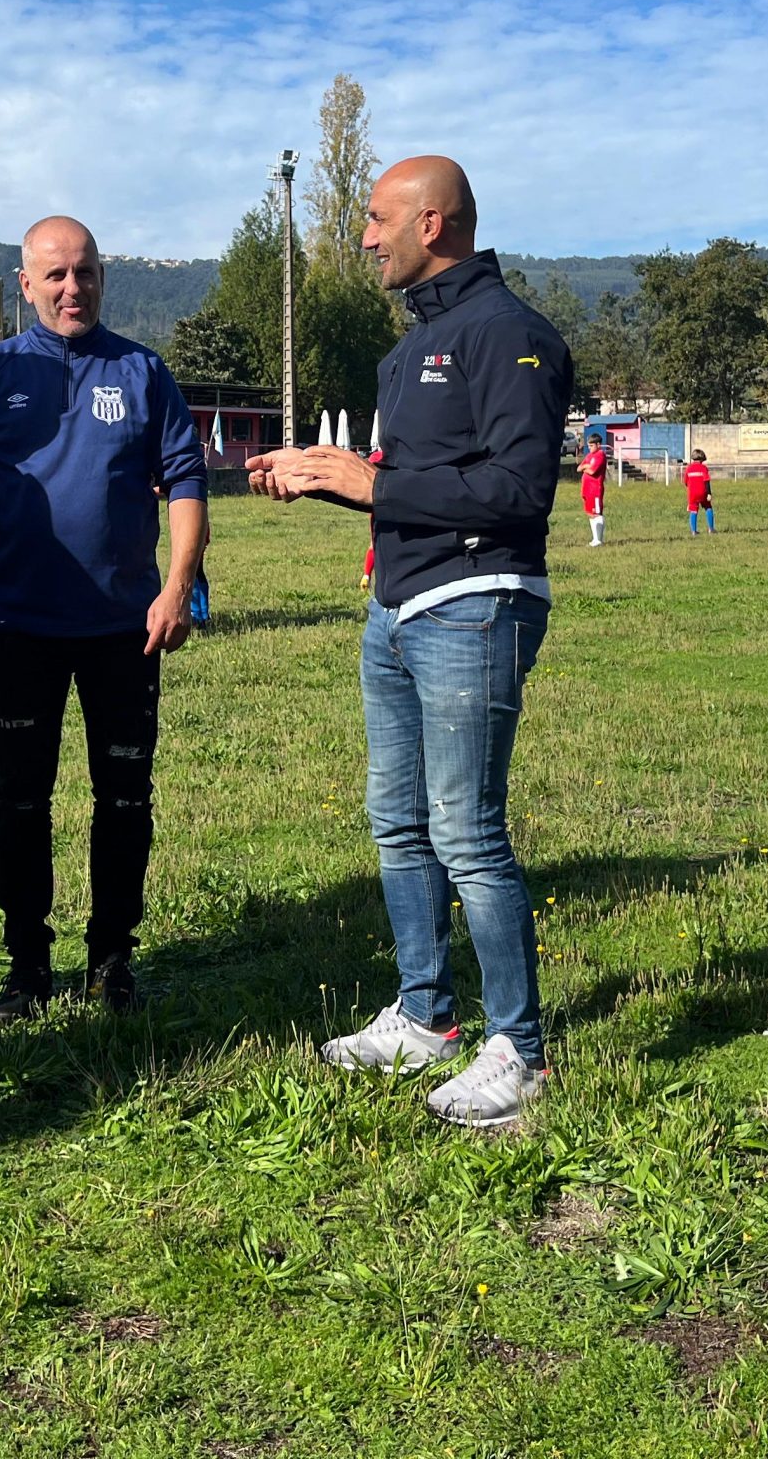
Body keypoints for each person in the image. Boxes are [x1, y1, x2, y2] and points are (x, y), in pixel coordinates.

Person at [249, 156, 573, 1131]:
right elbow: (417, 483)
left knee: (467, 831)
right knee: (397, 822)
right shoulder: (407, 352)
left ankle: (519, 1049)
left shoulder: (509, 332)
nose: (363, 235)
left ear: (432, 223)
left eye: (377, 217)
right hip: (396, 611)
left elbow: (519, 493)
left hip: (477, 602)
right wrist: (322, 477)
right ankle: (427, 1017)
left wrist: (372, 484)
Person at [0, 216, 209, 1016]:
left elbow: (186, 482)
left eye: (85, 273)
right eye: (55, 275)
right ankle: (27, 967)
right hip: (21, 627)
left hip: (124, 628)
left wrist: (178, 586)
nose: (72, 288)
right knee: (20, 799)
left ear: (103, 278)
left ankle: (113, 957)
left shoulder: (143, 371)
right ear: (26, 284)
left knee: (125, 797)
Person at [579, 438, 609, 547]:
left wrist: (585, 467)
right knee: (590, 513)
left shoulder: (600, 455)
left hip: (595, 489)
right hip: (587, 489)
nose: (590, 448)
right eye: (589, 446)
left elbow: (592, 471)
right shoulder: (589, 456)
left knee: (596, 513)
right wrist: (586, 466)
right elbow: (579, 468)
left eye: (592, 445)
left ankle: (599, 540)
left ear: (598, 445)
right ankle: (594, 538)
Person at [684, 449, 715, 534]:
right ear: (701, 459)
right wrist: (709, 493)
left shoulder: (688, 468)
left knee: (693, 510)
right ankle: (711, 529)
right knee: (708, 507)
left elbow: (686, 482)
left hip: (692, 494)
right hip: (703, 492)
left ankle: (694, 531)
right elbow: (706, 481)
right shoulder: (703, 468)